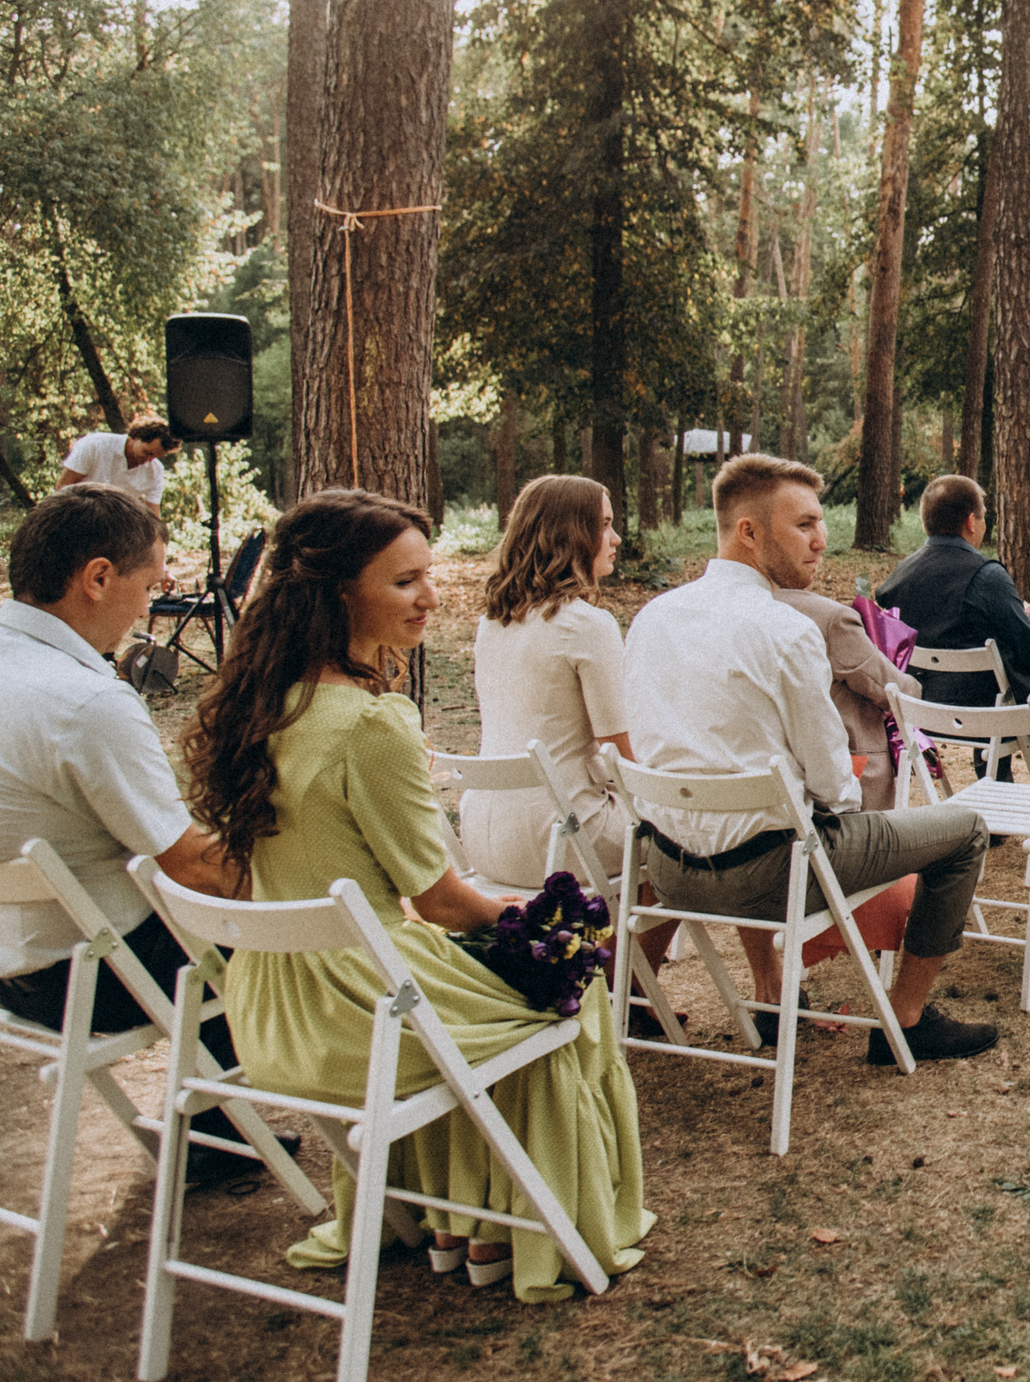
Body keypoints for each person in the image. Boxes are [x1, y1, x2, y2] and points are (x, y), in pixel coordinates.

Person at [181, 488, 651, 1299]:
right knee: (569, 984)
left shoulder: (263, 699)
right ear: (338, 594)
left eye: (428, 575)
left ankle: (450, 1224)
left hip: (270, 1011)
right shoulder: (369, 723)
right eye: (405, 581)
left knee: (484, 974)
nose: (431, 596)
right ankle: (505, 1232)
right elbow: (438, 903)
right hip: (364, 1009)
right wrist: (548, 921)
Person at [623, 453, 996, 1064]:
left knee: (767, 807)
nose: (821, 541)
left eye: (820, 523)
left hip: (668, 873)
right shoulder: (784, 630)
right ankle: (906, 1019)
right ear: (748, 531)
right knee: (966, 831)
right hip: (776, 879)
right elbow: (834, 789)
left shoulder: (650, 618)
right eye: (803, 525)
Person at [0, 485, 281, 1184]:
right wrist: (305, 885)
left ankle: (220, 1133)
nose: (153, 606)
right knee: (240, 918)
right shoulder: (87, 699)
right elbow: (189, 864)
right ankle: (233, 1131)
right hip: (85, 977)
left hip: (10, 959)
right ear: (98, 577)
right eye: (151, 584)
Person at [461, 474, 679, 997]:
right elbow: (620, 758)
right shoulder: (586, 624)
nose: (616, 537)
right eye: (604, 524)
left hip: (483, 835)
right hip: (557, 838)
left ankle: (617, 986)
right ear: (571, 535)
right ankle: (624, 990)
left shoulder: (493, 623)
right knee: (683, 851)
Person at [877, 474, 1030, 712]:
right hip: (984, 712)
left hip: (916, 707)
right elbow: (1027, 648)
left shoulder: (900, 573)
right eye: (983, 516)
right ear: (971, 522)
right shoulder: (987, 576)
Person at [771, 582, 922, 814]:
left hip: (776, 767)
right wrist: (916, 687)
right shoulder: (832, 619)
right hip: (847, 772)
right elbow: (892, 690)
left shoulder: (742, 607)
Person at [57, 415, 185, 512]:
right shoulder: (94, 445)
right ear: (137, 436)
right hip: (77, 513)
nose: (148, 461)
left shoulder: (155, 470)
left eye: (156, 457)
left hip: (115, 527)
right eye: (147, 452)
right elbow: (62, 487)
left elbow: (153, 513)